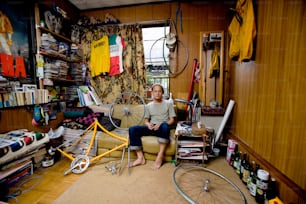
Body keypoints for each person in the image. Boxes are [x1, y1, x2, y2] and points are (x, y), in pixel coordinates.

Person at [129, 84, 176, 170]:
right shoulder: (148, 105)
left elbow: (172, 120)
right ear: (152, 93)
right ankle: (140, 158)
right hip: (152, 127)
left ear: (162, 93)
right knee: (133, 129)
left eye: (159, 91)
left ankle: (160, 156)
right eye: (155, 91)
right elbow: (146, 120)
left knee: (165, 126)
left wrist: (161, 124)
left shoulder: (168, 104)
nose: (157, 93)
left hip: (162, 128)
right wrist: (148, 124)